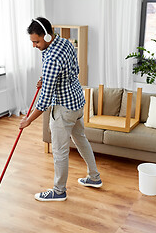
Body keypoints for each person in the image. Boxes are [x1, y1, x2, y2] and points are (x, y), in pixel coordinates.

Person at [19, 17, 102, 202]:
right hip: (77, 103)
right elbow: (75, 70)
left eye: (36, 41)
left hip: (63, 109)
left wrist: (28, 120)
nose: (34, 45)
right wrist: (48, 80)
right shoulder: (66, 43)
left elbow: (44, 101)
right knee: (81, 140)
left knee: (60, 151)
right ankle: (94, 177)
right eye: (32, 41)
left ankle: (59, 191)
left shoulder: (51, 59)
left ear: (47, 36)